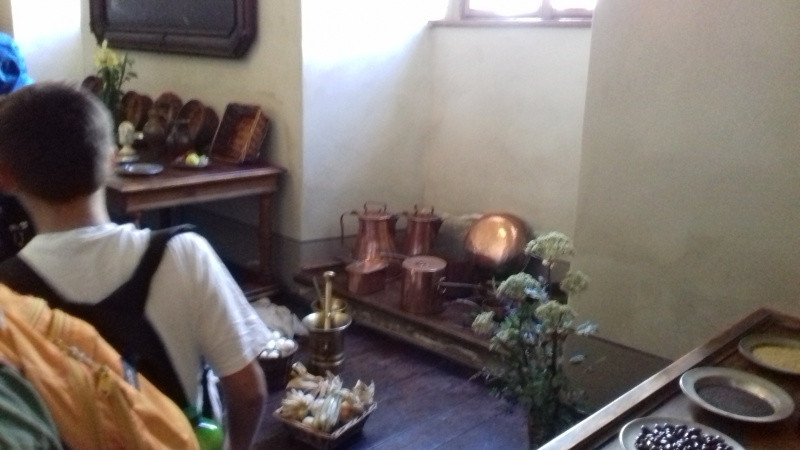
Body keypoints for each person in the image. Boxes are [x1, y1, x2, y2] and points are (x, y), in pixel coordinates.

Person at [0, 83, 269, 450]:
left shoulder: (7, 297)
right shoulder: (183, 253)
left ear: (5, 176)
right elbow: (249, 392)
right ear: (111, 161)